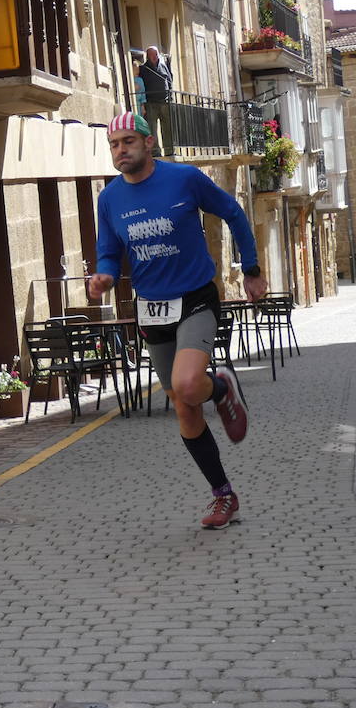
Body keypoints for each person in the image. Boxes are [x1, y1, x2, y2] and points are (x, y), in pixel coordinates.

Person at [89, 111, 266, 530]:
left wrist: (252, 269)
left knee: (189, 384)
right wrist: (105, 275)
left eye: (129, 141)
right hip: (151, 307)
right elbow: (109, 250)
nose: (121, 150)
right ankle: (224, 496)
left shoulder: (184, 179)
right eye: (114, 144)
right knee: (185, 409)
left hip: (195, 299)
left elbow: (234, 214)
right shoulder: (109, 198)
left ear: (148, 143)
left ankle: (220, 385)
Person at [138, 46, 174, 156]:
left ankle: (169, 151)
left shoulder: (163, 66)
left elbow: (169, 81)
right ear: (147, 56)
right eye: (151, 55)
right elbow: (141, 84)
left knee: (167, 128)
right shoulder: (143, 69)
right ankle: (155, 151)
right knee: (152, 128)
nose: (154, 57)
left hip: (165, 102)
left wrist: (170, 96)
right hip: (151, 103)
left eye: (156, 54)